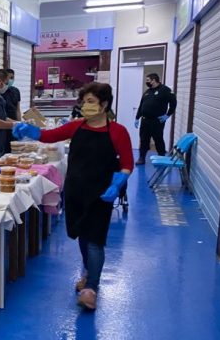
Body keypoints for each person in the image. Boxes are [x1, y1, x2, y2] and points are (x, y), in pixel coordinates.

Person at [13, 82, 133, 310]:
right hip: (76, 191)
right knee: (82, 237)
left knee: (96, 241)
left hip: (102, 194)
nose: (85, 106)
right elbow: (49, 136)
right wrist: (29, 130)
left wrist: (116, 185)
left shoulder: (118, 132)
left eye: (90, 102)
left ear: (104, 104)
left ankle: (92, 289)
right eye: (84, 101)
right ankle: (89, 274)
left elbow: (127, 164)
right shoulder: (77, 126)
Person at [134, 73, 177, 165]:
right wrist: (137, 118)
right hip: (145, 121)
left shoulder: (165, 90)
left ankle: (161, 157)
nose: (147, 82)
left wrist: (167, 115)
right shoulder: (147, 92)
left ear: (154, 80)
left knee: (158, 139)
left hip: (157, 121)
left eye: (148, 80)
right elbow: (141, 105)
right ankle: (142, 158)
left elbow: (173, 103)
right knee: (143, 140)